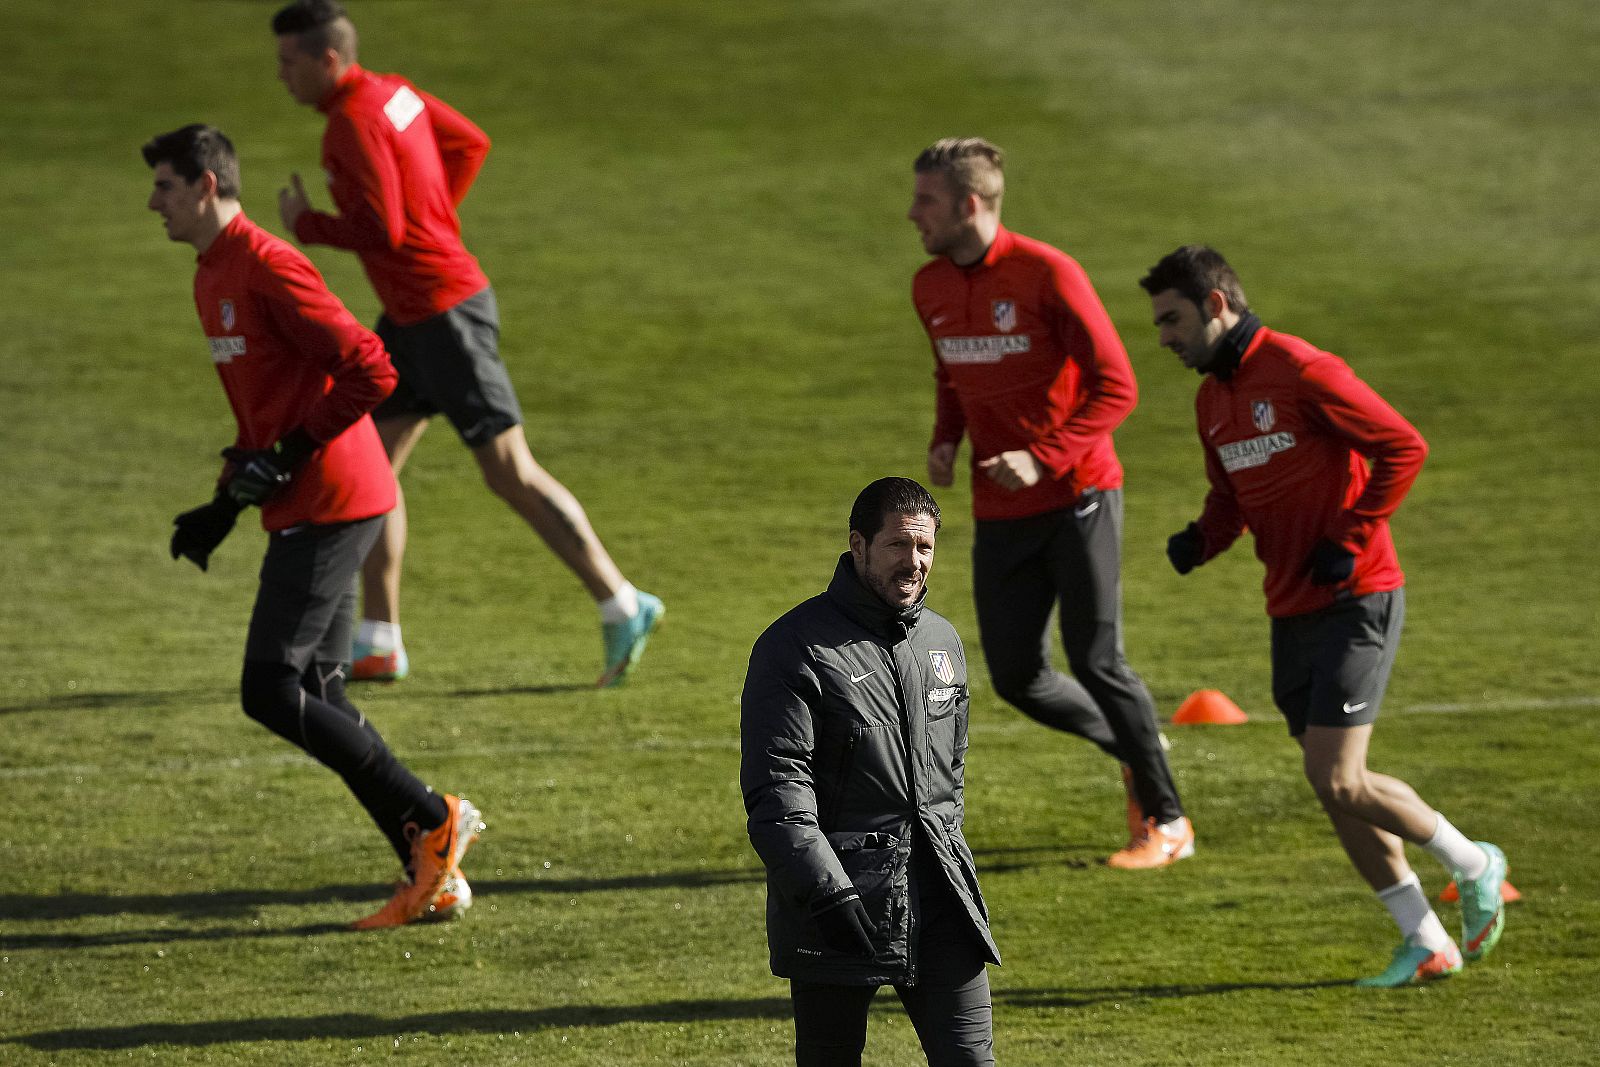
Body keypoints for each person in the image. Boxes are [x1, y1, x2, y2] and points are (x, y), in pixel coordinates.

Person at [1140, 244, 1508, 986]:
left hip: (1356, 595)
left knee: (1337, 777)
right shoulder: (1212, 401)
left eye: (1172, 319)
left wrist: (1350, 534)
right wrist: (1202, 539)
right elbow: (1232, 498)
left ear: (1217, 304)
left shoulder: (1303, 369)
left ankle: (1476, 862)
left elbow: (1403, 445)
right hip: (1290, 606)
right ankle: (1425, 938)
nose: (1164, 337)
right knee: (1334, 780)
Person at [144, 123, 483, 929]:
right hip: (308, 496)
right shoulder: (210, 274)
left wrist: (292, 453)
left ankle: (433, 814)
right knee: (320, 692)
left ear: (204, 186)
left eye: (162, 186)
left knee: (269, 688)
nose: (151, 202)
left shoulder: (268, 264)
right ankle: (430, 870)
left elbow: (372, 364)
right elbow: (263, 407)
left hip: (335, 496)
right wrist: (224, 505)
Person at [269, 0, 661, 686]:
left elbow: (386, 230)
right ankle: (381, 637)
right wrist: (436, 219)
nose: (282, 78)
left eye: (289, 63)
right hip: (415, 315)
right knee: (369, 462)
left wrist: (312, 225)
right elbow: (469, 144)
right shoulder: (397, 96)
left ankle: (622, 600)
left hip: (443, 314)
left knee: (509, 470)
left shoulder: (350, 123)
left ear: (327, 59)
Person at [908, 137, 1193, 868]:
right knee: (1015, 674)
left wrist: (1043, 457)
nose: (913, 215)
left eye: (927, 202)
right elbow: (952, 374)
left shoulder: (1047, 273)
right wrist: (947, 439)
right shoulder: (930, 285)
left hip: (1079, 495)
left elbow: (1118, 384)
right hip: (1000, 508)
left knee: (1097, 659)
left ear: (970, 205)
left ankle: (1168, 822)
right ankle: (1136, 744)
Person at [741, 478, 1000, 1067]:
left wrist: (949, 856)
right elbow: (777, 789)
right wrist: (826, 893)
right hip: (840, 907)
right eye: (898, 546)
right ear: (858, 546)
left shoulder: (942, 641)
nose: (914, 563)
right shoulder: (796, 646)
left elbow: (949, 774)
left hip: (939, 899)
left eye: (926, 548)